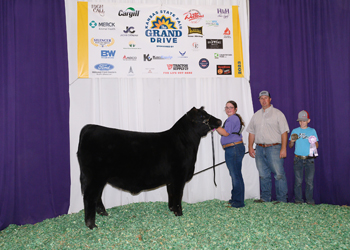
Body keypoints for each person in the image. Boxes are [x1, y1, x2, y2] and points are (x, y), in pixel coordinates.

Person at [246, 91, 289, 203]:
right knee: (263, 174)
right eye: (261, 98)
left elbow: (284, 132)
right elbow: (251, 132)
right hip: (259, 148)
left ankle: (282, 199)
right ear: (259, 100)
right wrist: (250, 147)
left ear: (270, 99)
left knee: (278, 174)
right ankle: (265, 198)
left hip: (274, 147)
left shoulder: (278, 114)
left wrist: (283, 148)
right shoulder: (256, 115)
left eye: (266, 98)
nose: (263, 100)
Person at [216, 101, 245, 208]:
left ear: (235, 109)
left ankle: (238, 202)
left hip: (233, 149)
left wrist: (214, 125)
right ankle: (235, 199)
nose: (228, 109)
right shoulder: (233, 118)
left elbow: (225, 133)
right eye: (227, 107)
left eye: (231, 107)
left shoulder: (232, 118)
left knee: (235, 175)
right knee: (236, 174)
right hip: (234, 148)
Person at [289, 110, 319, 205]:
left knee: (309, 182)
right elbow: (290, 146)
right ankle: (298, 200)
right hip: (298, 159)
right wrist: (292, 141)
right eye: (300, 121)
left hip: (309, 159)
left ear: (308, 120)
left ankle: (309, 200)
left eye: (304, 121)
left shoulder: (312, 131)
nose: (302, 123)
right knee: (298, 181)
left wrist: (313, 142)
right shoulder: (295, 131)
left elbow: (317, 145)